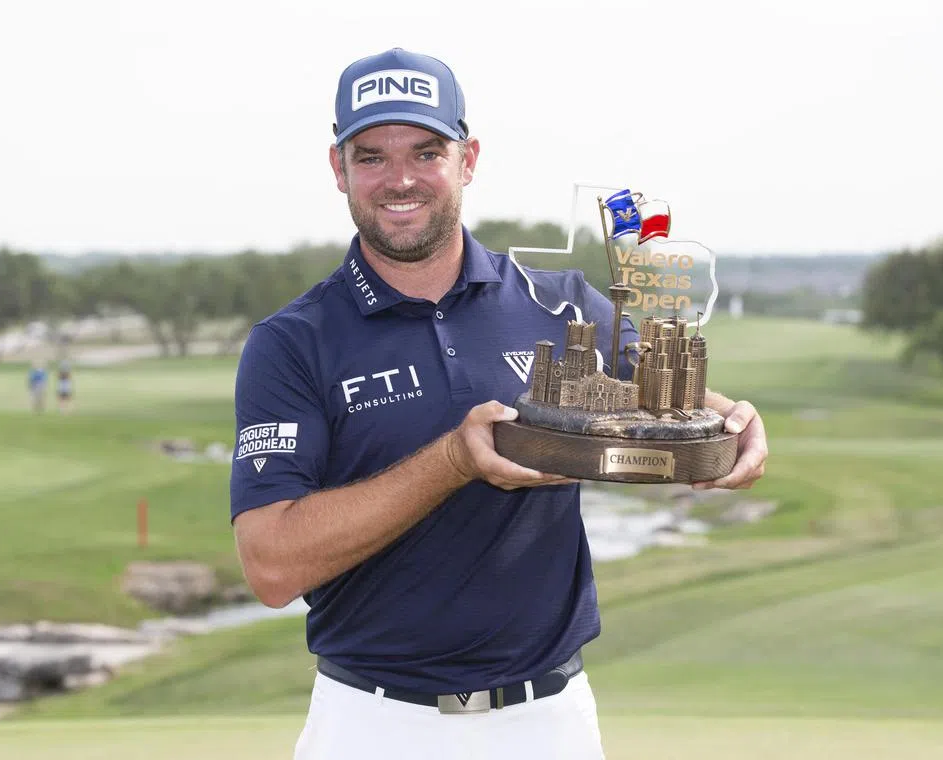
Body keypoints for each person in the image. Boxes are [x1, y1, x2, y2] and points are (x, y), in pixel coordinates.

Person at [230, 48, 768, 760]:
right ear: (339, 168)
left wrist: (733, 422)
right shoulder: (294, 343)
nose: (400, 179)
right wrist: (454, 460)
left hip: (548, 722)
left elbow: (668, 402)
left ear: (468, 158)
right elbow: (270, 565)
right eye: (371, 156)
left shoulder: (563, 304)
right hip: (371, 724)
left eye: (426, 151)